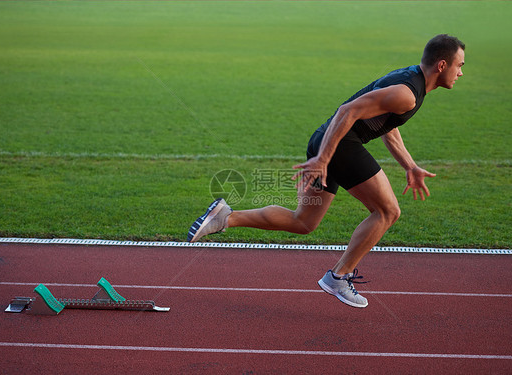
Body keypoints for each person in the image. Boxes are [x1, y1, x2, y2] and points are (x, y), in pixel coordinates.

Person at [187, 34, 465, 308]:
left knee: (303, 222)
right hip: (340, 145)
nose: (461, 73)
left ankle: (226, 217)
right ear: (442, 65)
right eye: (459, 65)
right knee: (387, 211)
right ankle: (338, 277)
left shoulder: (411, 83)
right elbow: (347, 111)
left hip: (326, 139)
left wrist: (410, 166)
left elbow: (387, 126)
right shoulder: (407, 93)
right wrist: (324, 158)